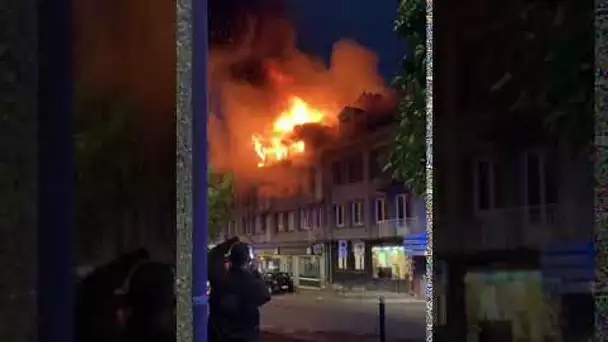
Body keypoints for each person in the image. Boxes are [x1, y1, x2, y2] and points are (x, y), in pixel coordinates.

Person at [209, 242, 271, 342]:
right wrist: (255, 272)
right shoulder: (250, 282)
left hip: (223, 336)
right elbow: (265, 296)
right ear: (248, 260)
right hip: (245, 336)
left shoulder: (221, 280)